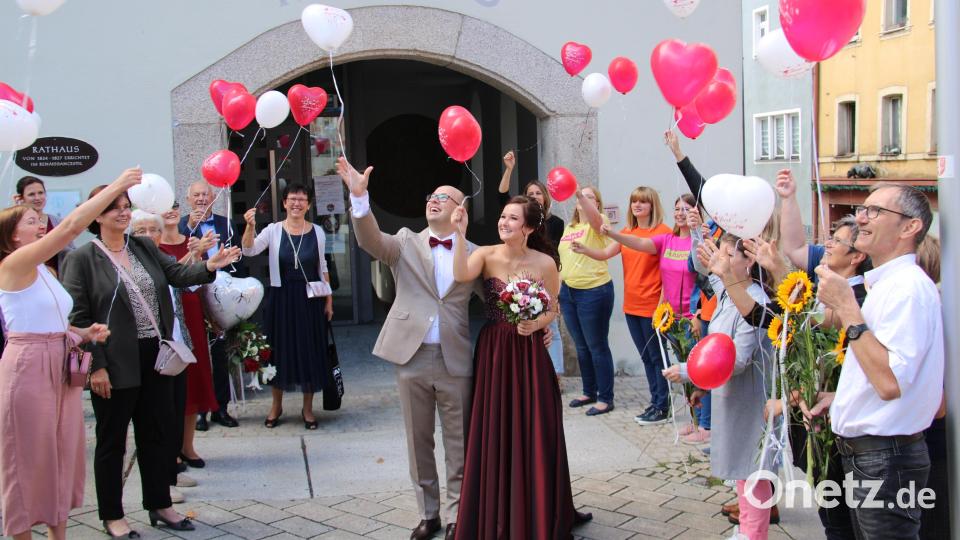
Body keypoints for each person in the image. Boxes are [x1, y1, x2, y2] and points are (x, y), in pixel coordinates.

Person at [338, 156, 548, 540]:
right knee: (418, 441)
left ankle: (457, 515)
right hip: (411, 356)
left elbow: (513, 285)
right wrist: (360, 200)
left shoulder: (477, 253)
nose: (434, 200)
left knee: (459, 442)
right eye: (431, 196)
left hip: (455, 358)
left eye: (444, 196)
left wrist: (542, 325)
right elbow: (370, 240)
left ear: (459, 210)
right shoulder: (403, 242)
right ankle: (427, 513)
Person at [61, 186, 240, 538]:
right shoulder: (82, 258)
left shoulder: (141, 246)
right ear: (97, 215)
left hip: (156, 356)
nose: (124, 213)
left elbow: (176, 275)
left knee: (157, 435)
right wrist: (96, 365)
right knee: (112, 441)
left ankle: (160, 505)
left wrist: (209, 266)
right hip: (113, 361)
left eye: (127, 207)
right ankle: (112, 515)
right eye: (115, 208)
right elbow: (79, 317)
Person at [0, 169, 136, 540]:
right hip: (27, 367)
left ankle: (58, 534)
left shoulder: (44, 269)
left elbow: (54, 319)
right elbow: (72, 227)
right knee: (27, 457)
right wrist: (118, 186)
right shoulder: (14, 265)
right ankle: (23, 533)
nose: (41, 222)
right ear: (14, 235)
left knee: (61, 452)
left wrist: (82, 332)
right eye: (31, 220)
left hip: (59, 361)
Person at [450, 196, 591, 538]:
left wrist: (537, 324)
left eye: (513, 219)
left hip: (529, 353)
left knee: (537, 425)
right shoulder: (484, 254)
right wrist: (458, 233)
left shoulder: (545, 262)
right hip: (495, 352)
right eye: (503, 216)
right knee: (496, 425)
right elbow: (459, 274)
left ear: (528, 228)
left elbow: (554, 307)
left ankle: (540, 509)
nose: (504, 222)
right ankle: (499, 512)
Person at [815, 183, 943, 539]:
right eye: (862, 209)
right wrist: (840, 400)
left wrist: (846, 308)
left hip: (887, 459)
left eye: (875, 211)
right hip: (871, 455)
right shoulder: (886, 284)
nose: (861, 219)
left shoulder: (908, 288)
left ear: (910, 227)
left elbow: (889, 382)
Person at [600, 193, 704, 440]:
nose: (680, 213)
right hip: (669, 318)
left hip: (691, 319)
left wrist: (699, 313)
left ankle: (704, 423)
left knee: (694, 370)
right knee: (671, 364)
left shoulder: (699, 241)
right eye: (677, 209)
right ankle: (692, 418)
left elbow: (706, 276)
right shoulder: (666, 239)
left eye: (686, 209)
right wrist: (612, 234)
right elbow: (637, 243)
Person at [572, 186, 672, 424]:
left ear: (652, 206)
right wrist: (585, 250)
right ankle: (654, 402)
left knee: (658, 358)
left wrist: (662, 305)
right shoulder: (629, 231)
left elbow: (667, 272)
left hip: (652, 306)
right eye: (634, 202)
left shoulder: (663, 232)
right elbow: (606, 253)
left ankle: (662, 405)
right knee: (646, 357)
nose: (637, 206)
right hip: (632, 305)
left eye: (643, 202)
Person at [241, 182, 334, 429]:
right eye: (292, 199)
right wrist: (250, 226)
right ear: (284, 203)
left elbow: (322, 267)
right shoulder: (272, 230)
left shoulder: (317, 232)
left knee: (309, 349)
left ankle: (307, 409)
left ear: (309, 205)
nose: (296, 203)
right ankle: (276, 406)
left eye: (302, 200)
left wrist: (329, 300)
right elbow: (248, 250)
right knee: (278, 350)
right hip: (280, 299)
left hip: (310, 300)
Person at [130, 210, 192, 504]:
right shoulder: (130, 264)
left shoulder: (162, 260)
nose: (147, 235)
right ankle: (164, 485)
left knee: (175, 413)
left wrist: (209, 262)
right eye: (140, 229)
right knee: (158, 421)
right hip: (150, 353)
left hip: (175, 348)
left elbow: (186, 281)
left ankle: (173, 470)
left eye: (152, 230)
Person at [159, 204, 219, 470]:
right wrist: (191, 256)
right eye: (163, 208)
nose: (170, 211)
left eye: (172, 206)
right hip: (169, 318)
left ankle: (188, 445)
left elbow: (204, 282)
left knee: (195, 381)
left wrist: (213, 317)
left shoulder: (191, 241)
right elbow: (166, 278)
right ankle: (170, 449)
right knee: (172, 385)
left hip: (193, 315)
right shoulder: (153, 246)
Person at [179, 180, 239, 429]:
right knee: (198, 356)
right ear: (189, 199)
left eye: (206, 194)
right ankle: (201, 410)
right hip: (193, 296)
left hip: (221, 295)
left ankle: (221, 409)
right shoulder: (181, 224)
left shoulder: (226, 223)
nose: (202, 199)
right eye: (197, 195)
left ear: (213, 198)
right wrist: (192, 226)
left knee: (221, 354)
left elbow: (238, 257)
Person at [499, 151, 565, 373]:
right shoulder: (519, 221)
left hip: (543, 278)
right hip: (519, 276)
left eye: (538, 193)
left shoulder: (555, 222)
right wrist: (509, 169)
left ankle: (555, 373)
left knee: (550, 326)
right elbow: (503, 196)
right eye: (530, 193)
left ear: (545, 196)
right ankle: (527, 369)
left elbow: (554, 256)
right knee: (521, 324)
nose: (535, 196)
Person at [558, 186, 616, 416]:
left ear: (597, 204)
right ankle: (589, 391)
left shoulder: (599, 222)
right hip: (569, 293)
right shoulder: (569, 227)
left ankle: (605, 397)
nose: (582, 198)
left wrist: (581, 194)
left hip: (594, 292)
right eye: (581, 195)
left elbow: (594, 219)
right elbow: (563, 261)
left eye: (590, 196)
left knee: (597, 346)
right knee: (581, 346)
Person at [13, 175, 74, 274]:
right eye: (31, 194)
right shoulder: (14, 223)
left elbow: (71, 252)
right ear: (21, 198)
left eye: (41, 193)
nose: (37, 198)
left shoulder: (58, 222)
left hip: (56, 279)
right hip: (24, 277)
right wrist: (18, 213)